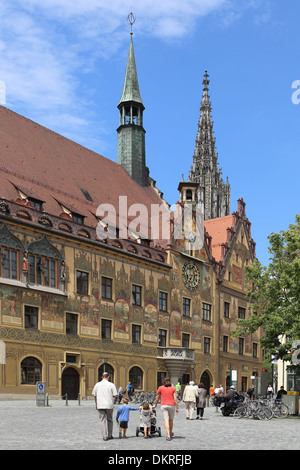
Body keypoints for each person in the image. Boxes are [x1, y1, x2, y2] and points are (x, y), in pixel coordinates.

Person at [92, 372, 118, 441]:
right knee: (109, 419)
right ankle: (110, 435)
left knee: (102, 420)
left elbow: (94, 395)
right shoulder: (111, 385)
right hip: (109, 404)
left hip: (100, 404)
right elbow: (115, 395)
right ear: (108, 377)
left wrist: (96, 404)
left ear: (102, 377)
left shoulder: (97, 385)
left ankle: (104, 436)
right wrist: (110, 395)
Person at [153, 377, 179, 441]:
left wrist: (155, 405)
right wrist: (177, 408)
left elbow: (157, 398)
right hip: (172, 405)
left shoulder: (160, 388)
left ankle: (168, 435)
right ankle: (170, 432)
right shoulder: (173, 388)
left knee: (166, 420)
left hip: (164, 405)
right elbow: (175, 399)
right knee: (171, 420)